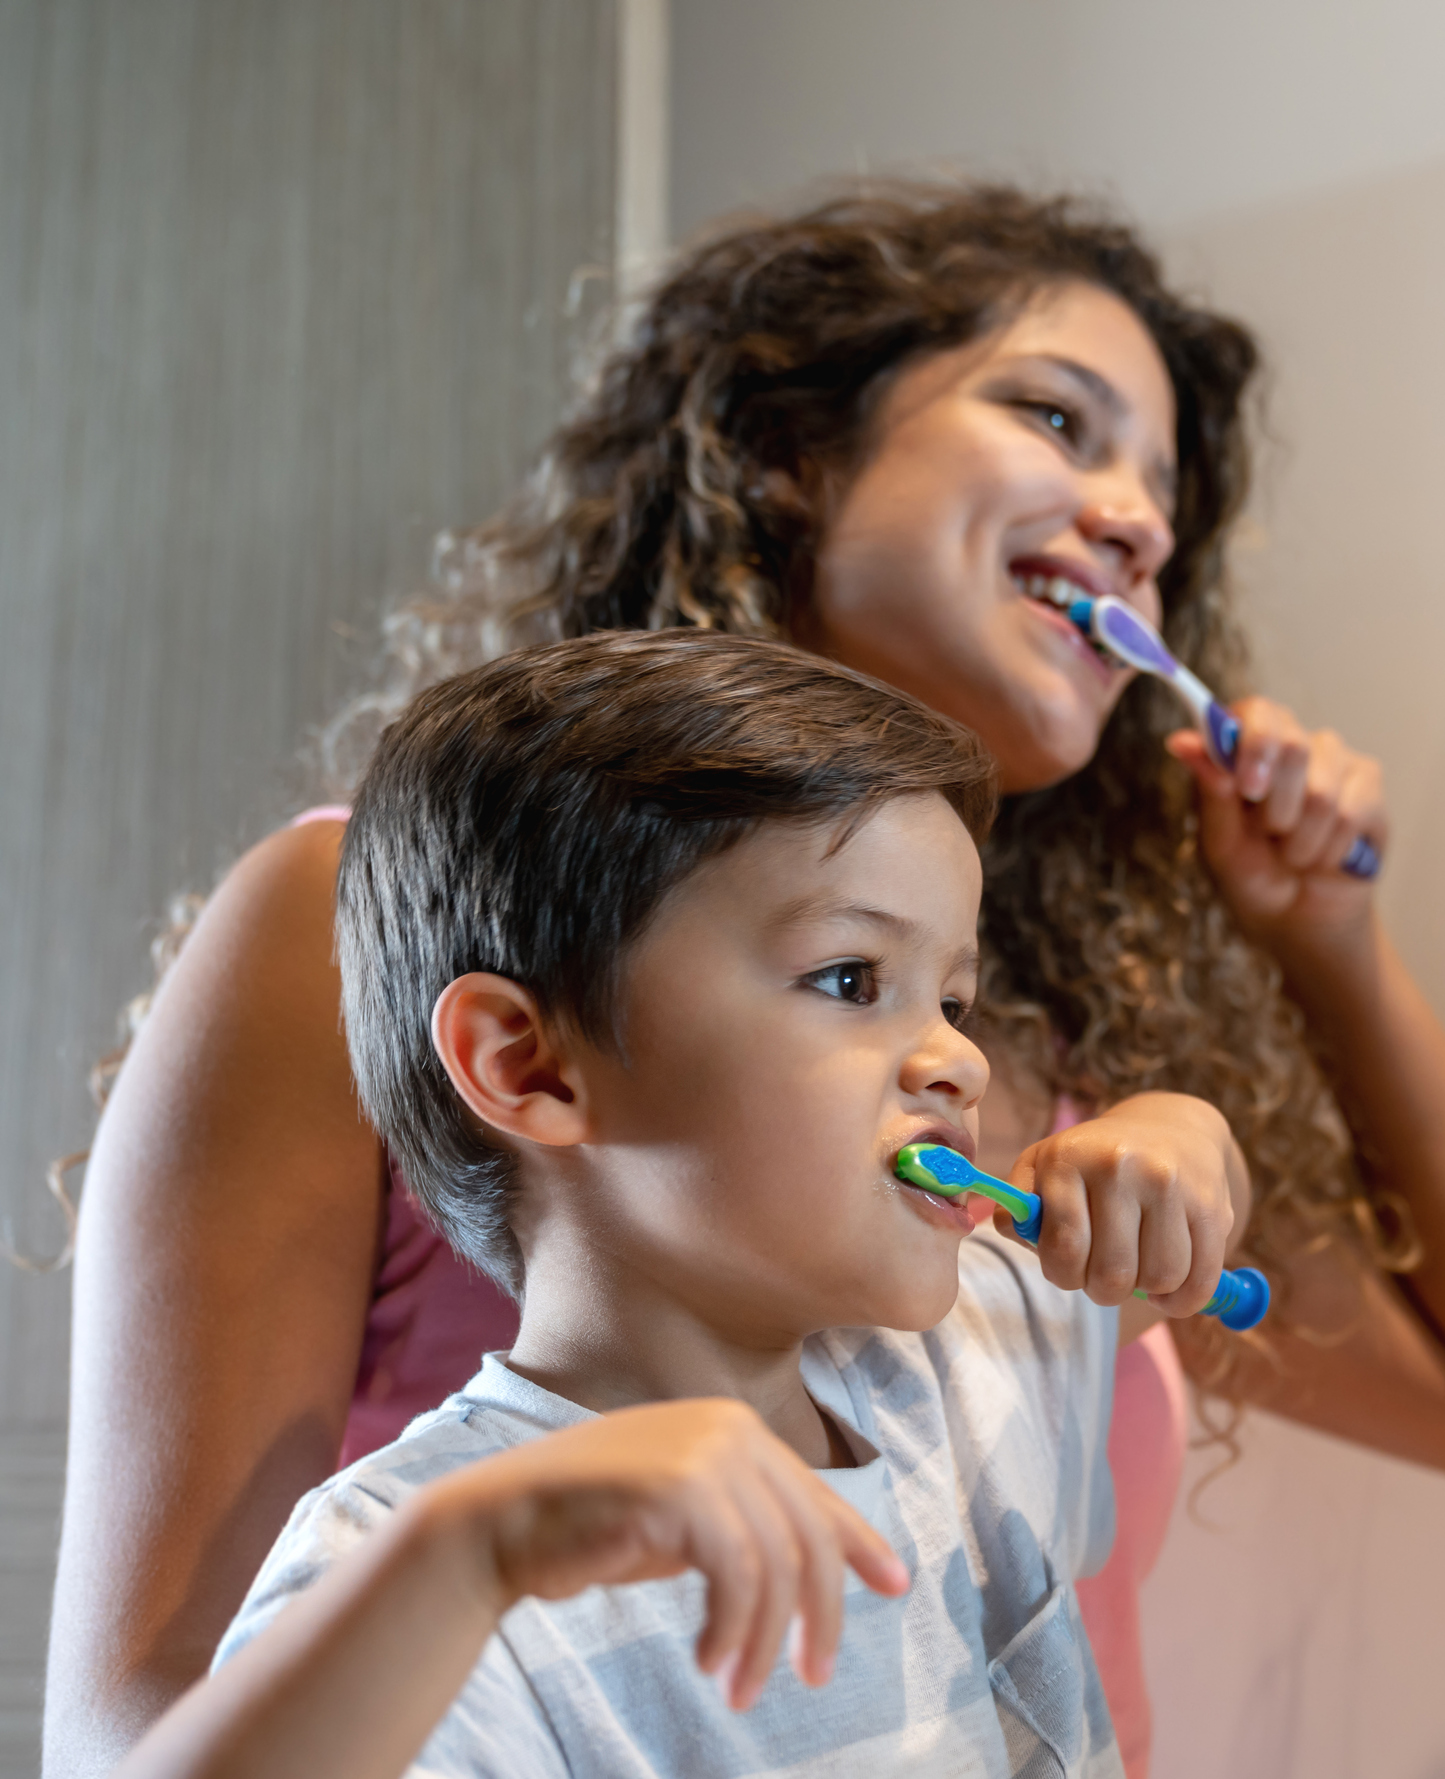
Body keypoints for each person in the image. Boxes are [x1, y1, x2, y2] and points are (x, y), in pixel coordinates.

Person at [46, 183, 1445, 1779]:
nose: (1140, 520)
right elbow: (146, 1723)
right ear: (780, 449)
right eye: (1057, 418)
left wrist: (1319, 950)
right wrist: (475, 1551)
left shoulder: (1033, 1084)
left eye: (1163, 494)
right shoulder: (366, 919)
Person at [114, 629, 1252, 1779]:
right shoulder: (424, 1578)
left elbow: (1173, 1231)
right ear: (529, 1066)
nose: (958, 1061)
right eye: (852, 980)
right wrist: (467, 1561)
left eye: (952, 998)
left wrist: (1181, 1134)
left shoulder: (965, 1369)